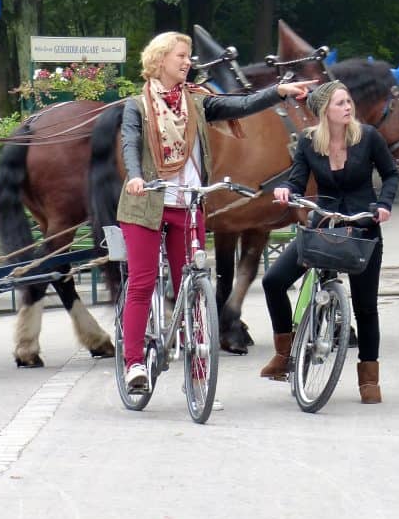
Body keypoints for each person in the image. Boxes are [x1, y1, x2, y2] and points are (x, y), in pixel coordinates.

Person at [116, 31, 316, 393]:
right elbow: (130, 143)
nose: (187, 61)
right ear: (160, 60)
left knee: (192, 286)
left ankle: (197, 377)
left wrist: (279, 92)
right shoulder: (138, 106)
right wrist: (134, 176)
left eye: (189, 55)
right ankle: (133, 364)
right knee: (143, 282)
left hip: (188, 205)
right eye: (181, 55)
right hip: (146, 204)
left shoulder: (197, 102)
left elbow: (241, 106)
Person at [260, 80, 399, 404]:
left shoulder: (368, 138)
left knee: (366, 307)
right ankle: (283, 354)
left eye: (348, 101)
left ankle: (369, 380)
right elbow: (296, 179)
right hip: (322, 226)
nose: (348, 107)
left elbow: (391, 174)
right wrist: (286, 191)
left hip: (362, 228)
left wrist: (384, 205)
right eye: (340, 103)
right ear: (324, 111)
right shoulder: (309, 142)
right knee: (273, 281)